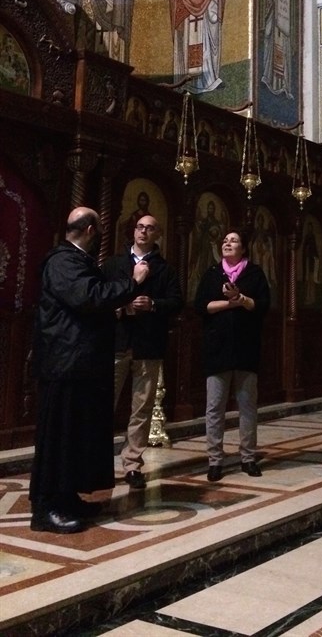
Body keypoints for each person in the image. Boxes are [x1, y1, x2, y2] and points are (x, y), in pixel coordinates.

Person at [29, 207, 149, 534]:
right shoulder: (63, 260)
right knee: (59, 438)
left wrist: (119, 307)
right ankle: (45, 508)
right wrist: (132, 282)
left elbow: (88, 308)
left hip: (79, 364)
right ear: (92, 230)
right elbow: (87, 297)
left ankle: (67, 497)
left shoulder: (76, 261)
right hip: (64, 365)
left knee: (73, 437)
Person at [102, 215, 183, 489]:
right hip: (117, 342)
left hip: (148, 345)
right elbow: (100, 296)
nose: (143, 232)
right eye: (140, 227)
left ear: (157, 233)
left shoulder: (165, 269)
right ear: (133, 231)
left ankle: (132, 464)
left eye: (149, 228)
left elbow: (176, 302)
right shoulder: (114, 264)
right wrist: (120, 307)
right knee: (103, 404)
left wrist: (153, 304)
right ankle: (97, 462)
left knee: (142, 408)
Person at [194, 228, 270, 482]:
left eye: (233, 240)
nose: (227, 243)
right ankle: (215, 460)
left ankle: (248, 457)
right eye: (225, 240)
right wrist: (232, 303)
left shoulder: (255, 274)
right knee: (214, 407)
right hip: (217, 349)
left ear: (243, 248)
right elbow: (202, 306)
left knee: (247, 406)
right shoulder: (213, 274)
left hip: (246, 348)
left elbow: (262, 305)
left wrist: (241, 297)